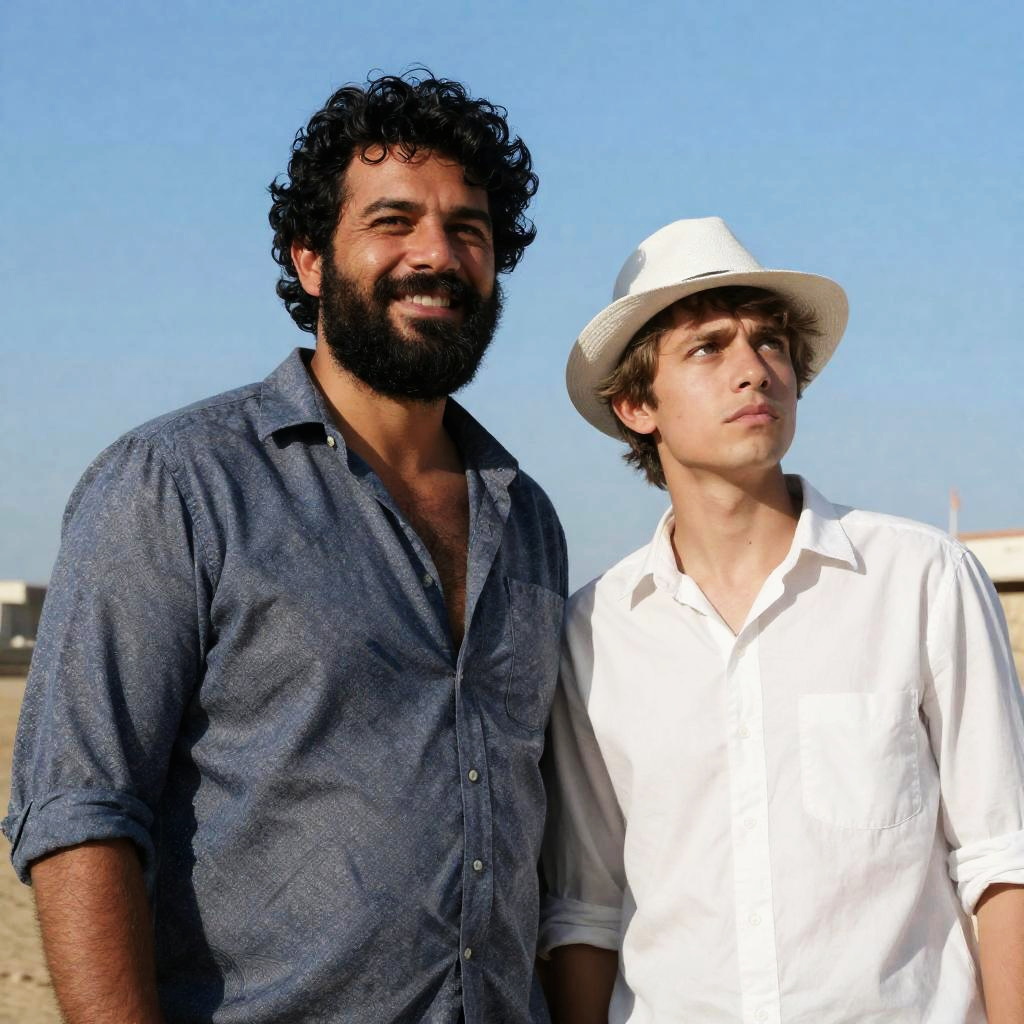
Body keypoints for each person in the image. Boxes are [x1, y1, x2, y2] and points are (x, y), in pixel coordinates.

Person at [4, 71, 567, 1024]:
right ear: (311, 260)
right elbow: (80, 813)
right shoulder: (176, 484)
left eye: (468, 229)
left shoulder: (529, 520)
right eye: (393, 221)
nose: (436, 253)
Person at [540, 216, 1024, 1022]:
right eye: (708, 348)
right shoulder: (595, 632)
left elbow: (1004, 858)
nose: (754, 370)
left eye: (770, 343)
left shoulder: (921, 580)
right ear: (635, 403)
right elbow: (585, 909)